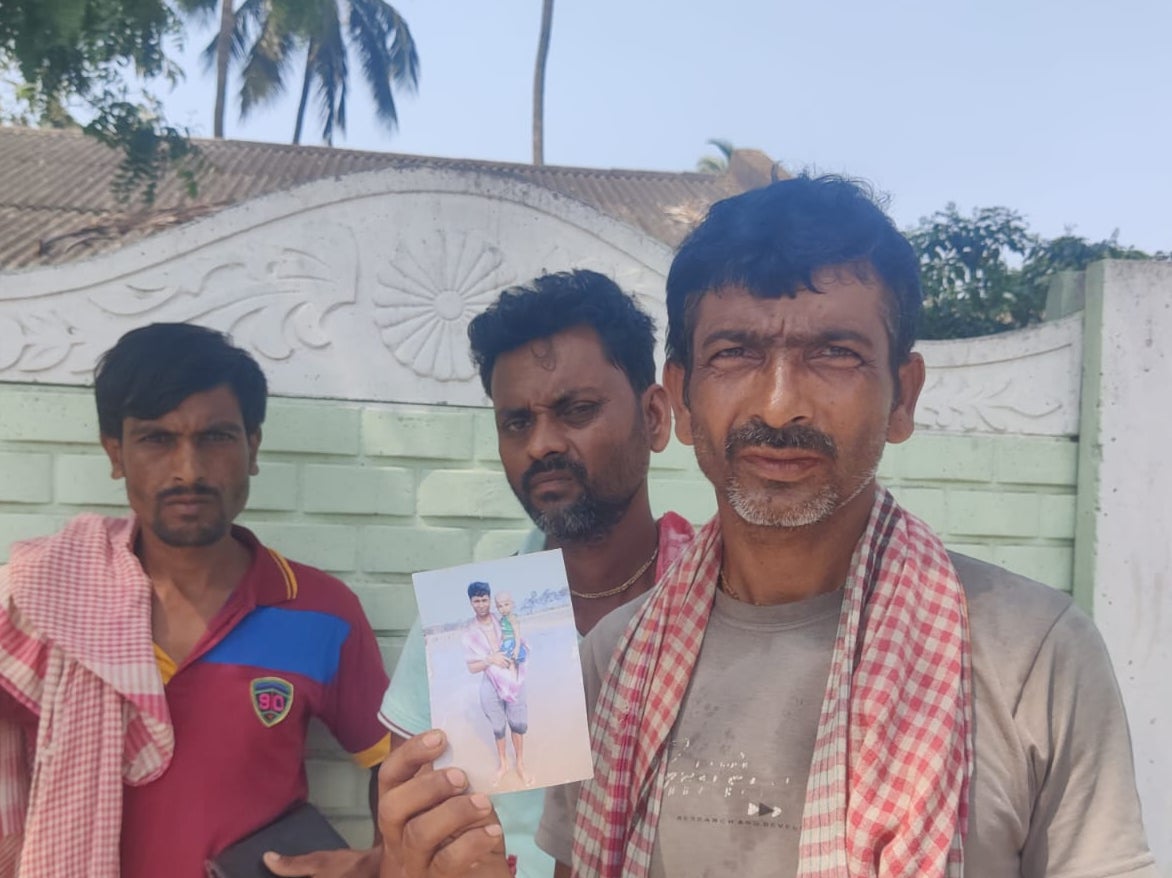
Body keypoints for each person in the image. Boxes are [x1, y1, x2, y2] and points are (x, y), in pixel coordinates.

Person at [374, 176, 1159, 878]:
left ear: (903, 397)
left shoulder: (1034, 656)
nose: (780, 404)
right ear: (681, 400)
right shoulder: (614, 663)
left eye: (836, 353)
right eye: (736, 353)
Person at [0, 323, 391, 878]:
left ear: (252, 447)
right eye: (157, 439)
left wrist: (382, 863)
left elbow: (397, 763)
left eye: (216, 437)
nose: (189, 470)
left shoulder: (321, 611)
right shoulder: (44, 605)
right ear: (115, 452)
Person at [371, 269, 696, 878]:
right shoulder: (460, 624)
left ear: (654, 417)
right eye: (516, 422)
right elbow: (401, 852)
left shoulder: (725, 602)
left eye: (577, 410)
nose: (542, 443)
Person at [461, 581, 531, 786]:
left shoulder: (503, 620)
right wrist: (490, 660)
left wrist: (514, 654)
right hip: (490, 679)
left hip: (513, 676)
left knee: (518, 722)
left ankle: (520, 763)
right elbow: (471, 667)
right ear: (471, 603)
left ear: (490, 600)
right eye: (477, 601)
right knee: (498, 724)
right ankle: (503, 763)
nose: (481, 604)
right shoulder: (469, 632)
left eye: (484, 600)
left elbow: (519, 640)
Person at [494, 591, 528, 672]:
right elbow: (502, 633)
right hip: (505, 645)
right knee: (507, 665)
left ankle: (514, 681)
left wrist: (516, 648)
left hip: (512, 644)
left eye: (506, 604)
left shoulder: (512, 618)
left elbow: (517, 635)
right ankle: (512, 680)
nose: (503, 609)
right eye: (500, 606)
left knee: (512, 664)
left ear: (512, 604)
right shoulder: (502, 620)